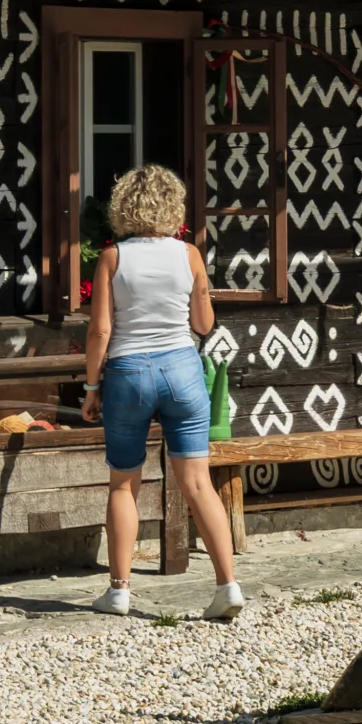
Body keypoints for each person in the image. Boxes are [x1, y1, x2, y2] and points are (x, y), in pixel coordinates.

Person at [80, 163, 244, 621]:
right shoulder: (189, 254)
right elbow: (203, 325)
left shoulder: (113, 257)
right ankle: (227, 585)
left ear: (122, 206)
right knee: (197, 482)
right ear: (173, 207)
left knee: (124, 482)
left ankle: (119, 591)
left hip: (129, 373)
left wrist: (92, 387)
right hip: (182, 370)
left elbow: (100, 331)